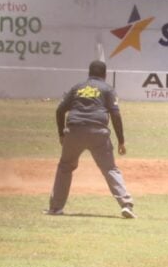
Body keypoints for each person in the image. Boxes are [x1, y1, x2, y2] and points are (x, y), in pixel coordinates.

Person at [46, 60, 135, 218]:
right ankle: (126, 204)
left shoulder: (77, 88)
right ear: (105, 74)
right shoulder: (107, 89)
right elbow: (115, 114)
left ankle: (56, 208)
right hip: (98, 132)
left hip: (74, 131)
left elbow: (60, 110)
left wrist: (61, 134)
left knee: (65, 167)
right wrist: (121, 140)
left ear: (89, 73)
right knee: (110, 169)